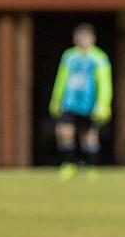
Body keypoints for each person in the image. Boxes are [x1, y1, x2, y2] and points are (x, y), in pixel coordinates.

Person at [48, 23, 113, 181]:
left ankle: (90, 166)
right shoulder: (69, 56)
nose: (83, 40)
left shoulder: (99, 57)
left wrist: (103, 104)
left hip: (89, 104)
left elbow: (105, 82)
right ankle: (69, 164)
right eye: (80, 37)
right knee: (64, 132)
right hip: (70, 102)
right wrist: (56, 99)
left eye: (86, 37)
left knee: (89, 136)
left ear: (92, 39)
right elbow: (62, 79)